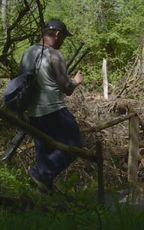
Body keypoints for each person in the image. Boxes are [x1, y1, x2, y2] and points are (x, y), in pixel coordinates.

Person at [22, 19, 84, 193]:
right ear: (57, 34)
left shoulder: (28, 53)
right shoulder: (54, 55)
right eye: (63, 36)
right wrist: (77, 81)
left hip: (33, 113)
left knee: (45, 153)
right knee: (75, 145)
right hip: (53, 110)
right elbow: (67, 88)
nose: (63, 40)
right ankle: (40, 174)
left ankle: (44, 193)